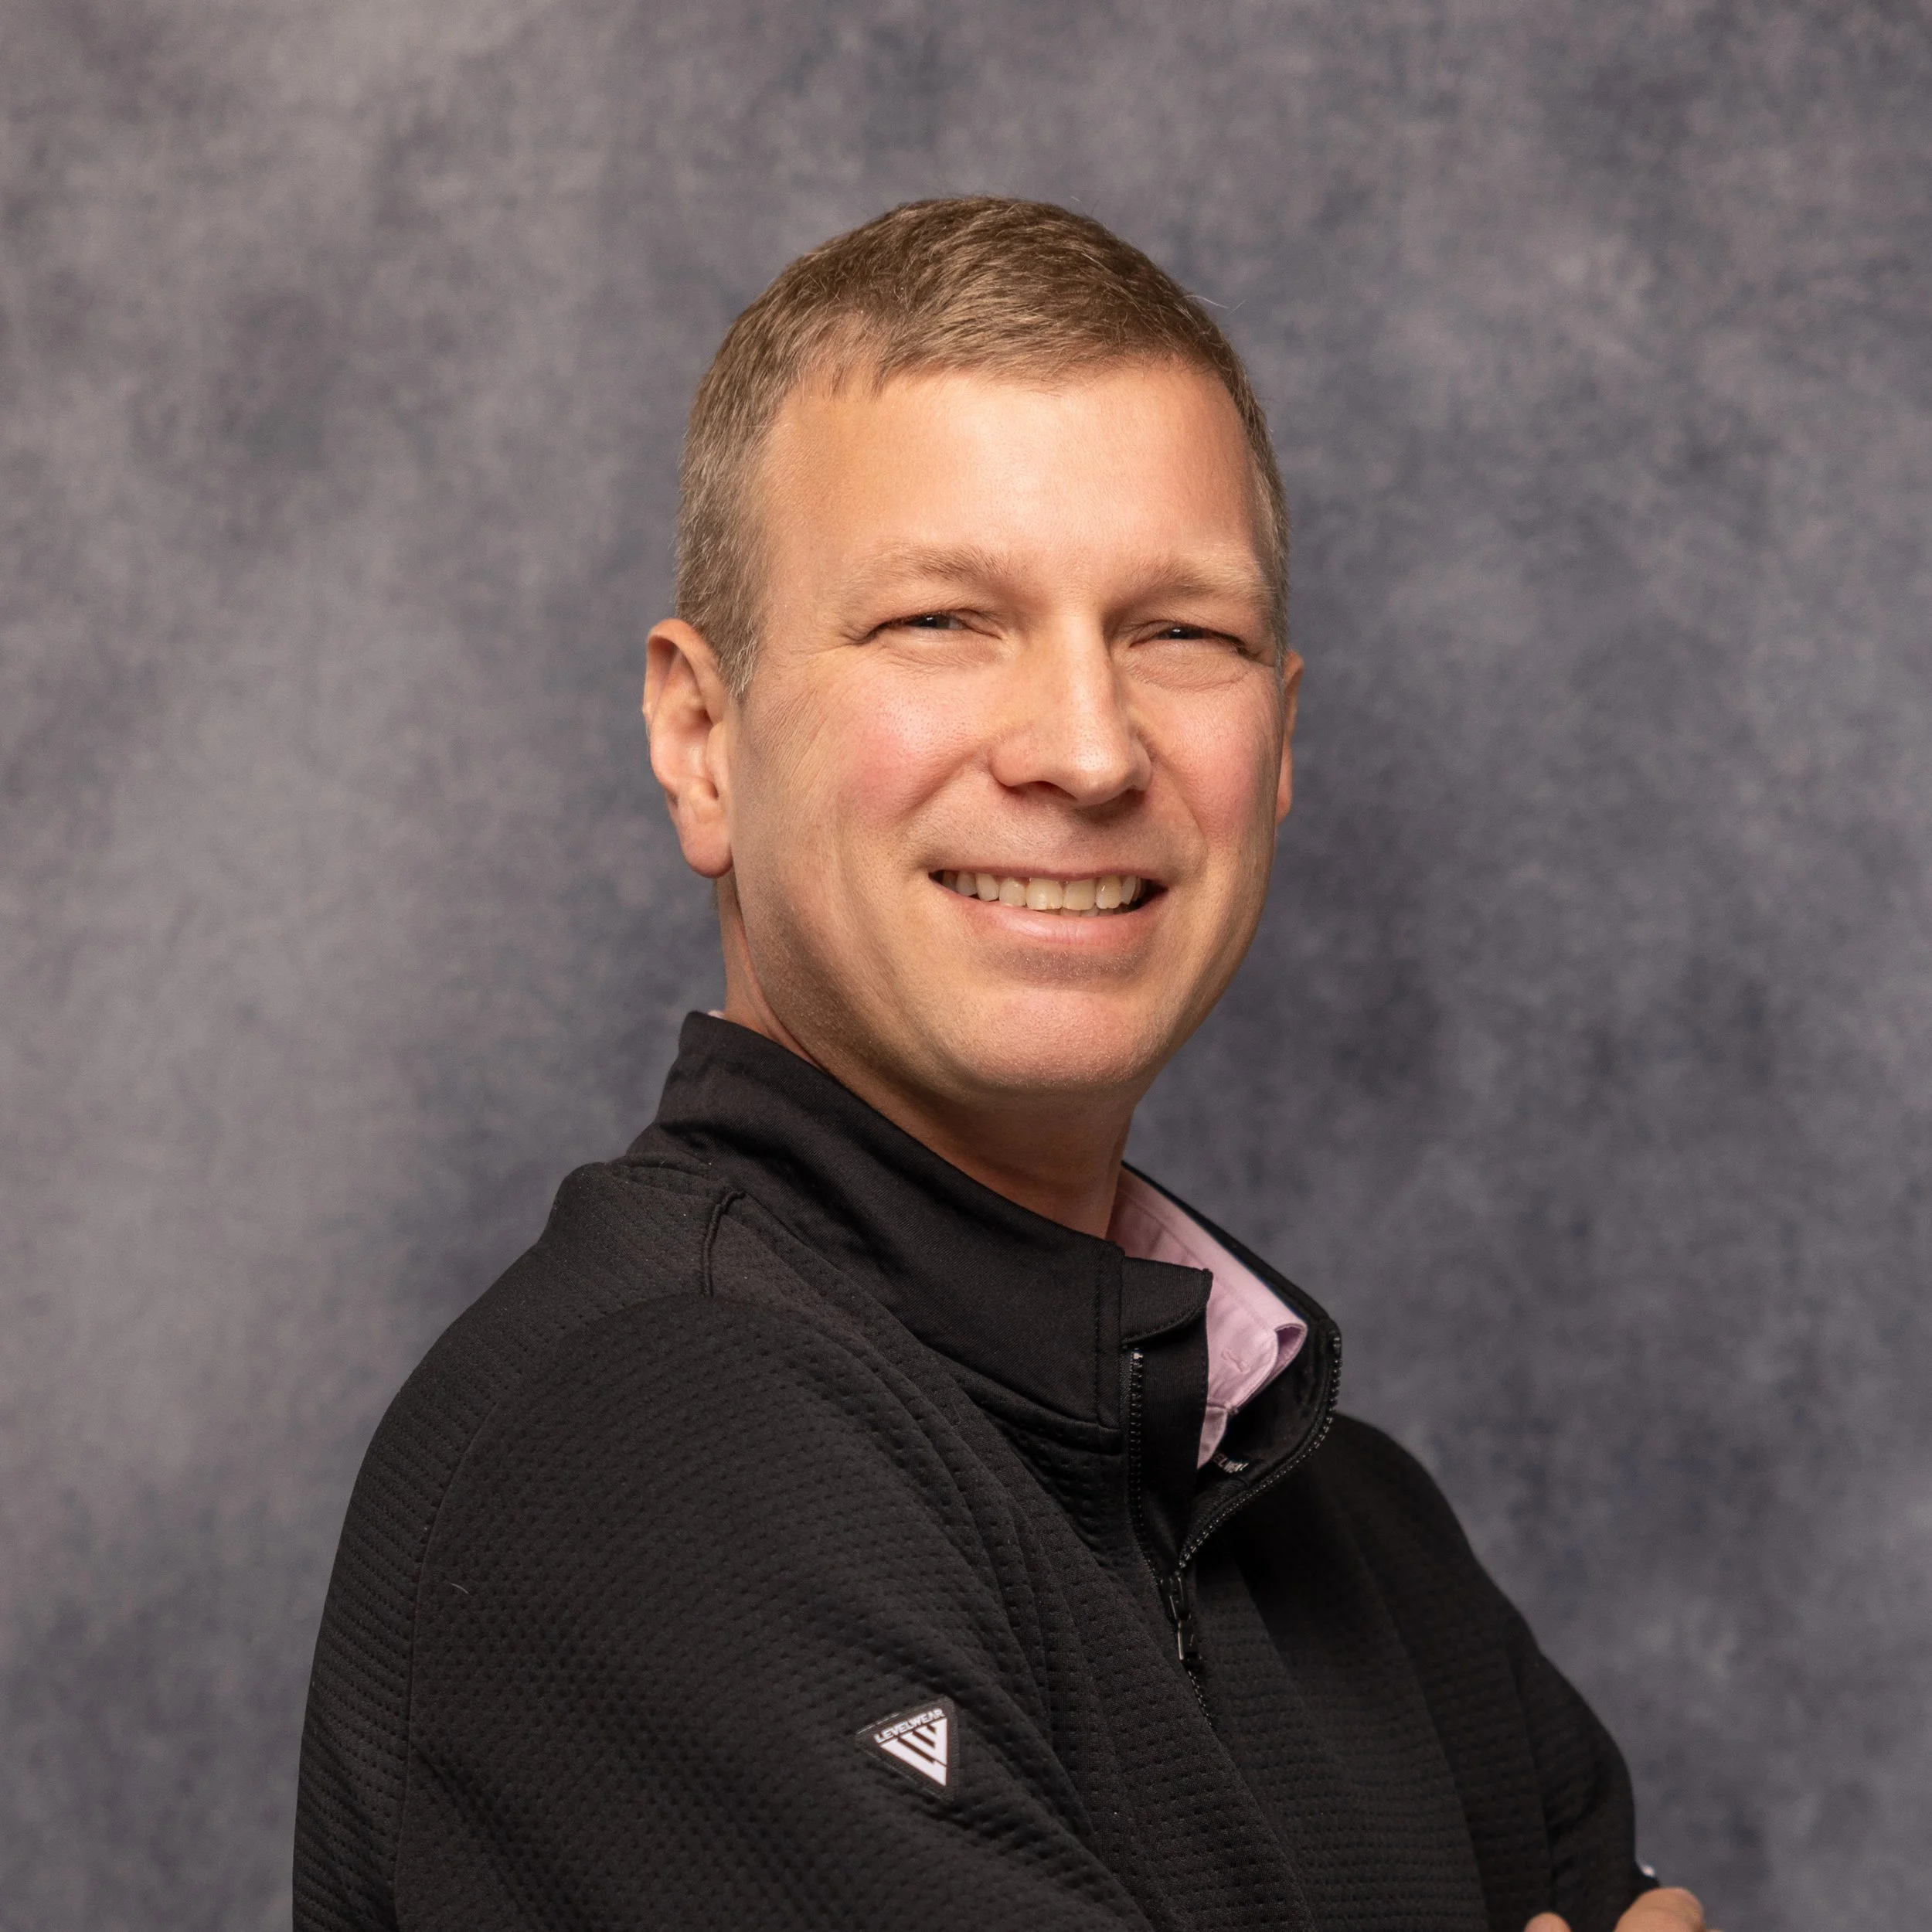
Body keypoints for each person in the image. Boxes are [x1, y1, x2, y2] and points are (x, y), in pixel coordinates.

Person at [295, 197, 1713, 1932]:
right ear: (701, 738)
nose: (1087, 749)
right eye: (942, 621)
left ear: (1279, 740)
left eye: (1179, 633)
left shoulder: (1365, 1534)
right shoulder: (640, 1455)